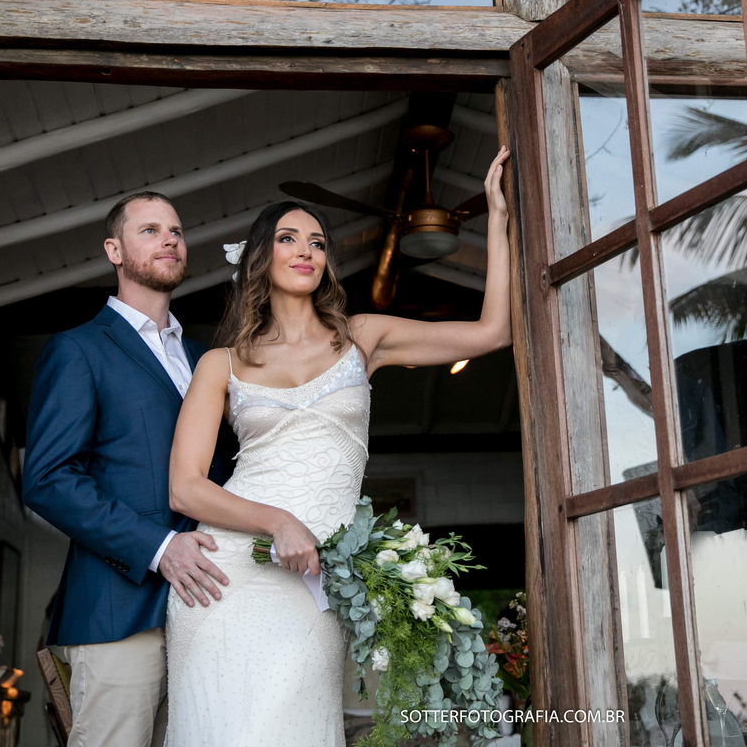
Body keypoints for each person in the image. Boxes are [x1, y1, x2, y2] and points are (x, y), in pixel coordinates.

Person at [164, 146, 512, 746]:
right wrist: (278, 522)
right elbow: (185, 486)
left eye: (318, 242)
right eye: (289, 238)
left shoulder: (362, 339)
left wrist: (500, 220)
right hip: (229, 578)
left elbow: (493, 332)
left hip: (313, 581)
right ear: (258, 258)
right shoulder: (220, 364)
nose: (306, 250)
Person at [23, 192, 236, 747]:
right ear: (114, 250)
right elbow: (48, 479)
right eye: (150, 230)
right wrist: (159, 547)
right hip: (117, 612)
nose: (170, 239)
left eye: (177, 230)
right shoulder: (79, 350)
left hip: (208, 607)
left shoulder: (203, 356)